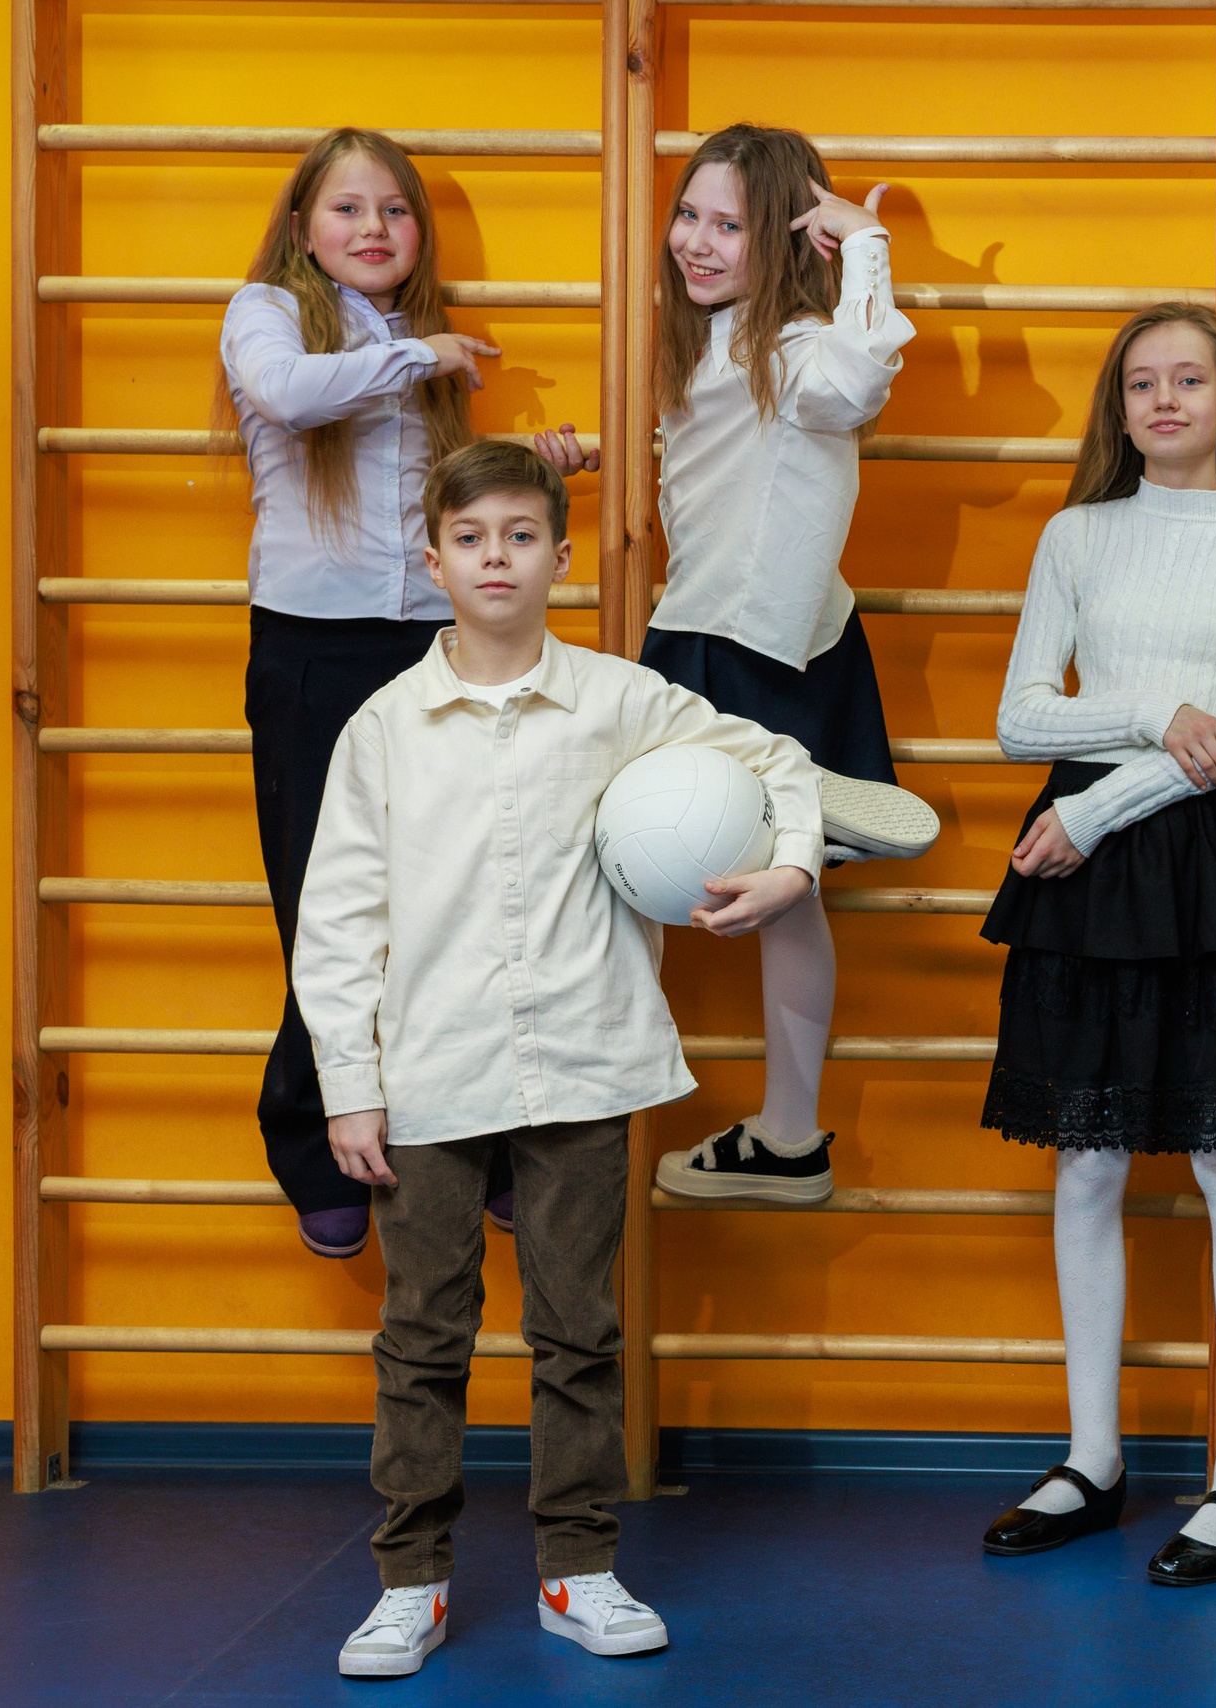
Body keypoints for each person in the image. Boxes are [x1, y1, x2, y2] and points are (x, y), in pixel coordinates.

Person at [299, 443, 831, 1675]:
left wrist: (790, 863)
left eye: (521, 534)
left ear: (561, 555)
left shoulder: (621, 699)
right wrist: (350, 1083)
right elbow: (337, 919)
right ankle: (410, 1580)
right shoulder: (382, 729)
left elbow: (778, 761)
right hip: (429, 1075)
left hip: (587, 1062)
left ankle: (577, 1567)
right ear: (433, 560)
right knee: (423, 1334)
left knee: (577, 1331)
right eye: (472, 536)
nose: (497, 555)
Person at [974, 305, 1216, 1586]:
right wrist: (1155, 715)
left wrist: (1092, 804)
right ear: (1118, 410)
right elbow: (1022, 713)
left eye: (1191, 380)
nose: (1166, 399)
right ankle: (1093, 1457)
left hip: (1187, 855)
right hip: (1088, 870)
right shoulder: (1077, 534)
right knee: (1089, 1163)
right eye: (1141, 384)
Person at [539, 122, 938, 1207]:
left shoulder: (801, 349)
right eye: (689, 216)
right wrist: (594, 457)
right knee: (656, 872)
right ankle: (776, 1131)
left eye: (730, 225)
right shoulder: (709, 344)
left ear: (787, 242)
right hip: (707, 629)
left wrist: (864, 244)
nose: (698, 243)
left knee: (739, 888)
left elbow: (855, 384)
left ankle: (789, 1131)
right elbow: (716, 457)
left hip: (757, 645)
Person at [220, 126, 509, 1258]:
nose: (375, 230)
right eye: (348, 210)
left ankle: (476, 1139)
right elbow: (289, 397)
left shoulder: (417, 351)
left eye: (395, 211)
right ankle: (307, 1139)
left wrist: (533, 450)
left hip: (434, 648)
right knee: (322, 908)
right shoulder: (271, 315)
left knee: (453, 905)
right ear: (303, 227)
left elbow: (434, 506)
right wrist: (421, 354)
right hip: (312, 651)